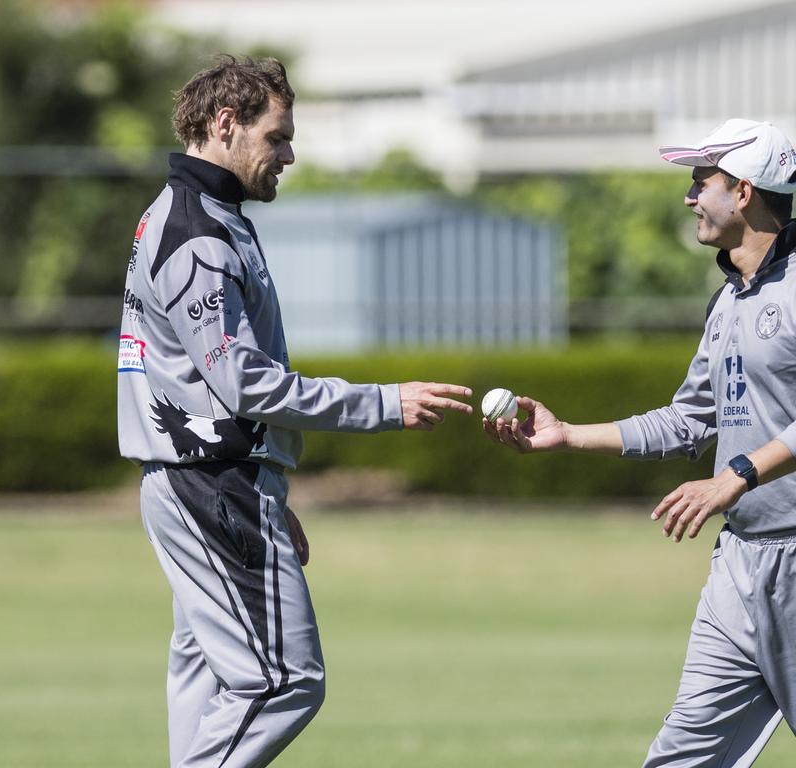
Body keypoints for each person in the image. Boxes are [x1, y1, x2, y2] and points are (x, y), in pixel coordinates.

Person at [117, 55, 472, 768]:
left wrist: (271, 480)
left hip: (218, 482)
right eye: (277, 137)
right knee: (285, 681)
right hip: (211, 486)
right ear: (225, 125)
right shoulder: (196, 234)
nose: (289, 153)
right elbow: (244, 384)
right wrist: (384, 404)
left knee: (214, 681)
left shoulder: (206, 216)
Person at [485, 118, 796, 766]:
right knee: (681, 756)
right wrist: (567, 435)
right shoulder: (728, 301)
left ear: (742, 192)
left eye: (699, 182)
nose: (688, 198)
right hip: (739, 568)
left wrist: (738, 472)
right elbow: (688, 421)